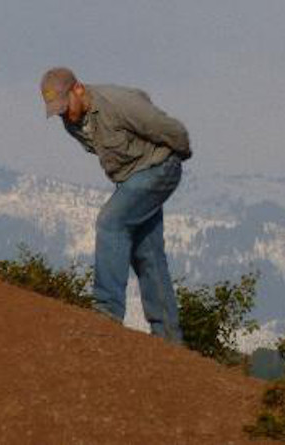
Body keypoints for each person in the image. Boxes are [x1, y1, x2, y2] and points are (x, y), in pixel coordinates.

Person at [40, 67, 192, 343]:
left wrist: (179, 155)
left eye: (64, 105)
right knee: (147, 254)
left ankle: (106, 311)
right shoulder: (72, 121)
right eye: (57, 109)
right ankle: (169, 338)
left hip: (160, 168)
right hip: (132, 179)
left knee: (110, 223)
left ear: (78, 89)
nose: (63, 113)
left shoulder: (118, 103)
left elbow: (170, 128)